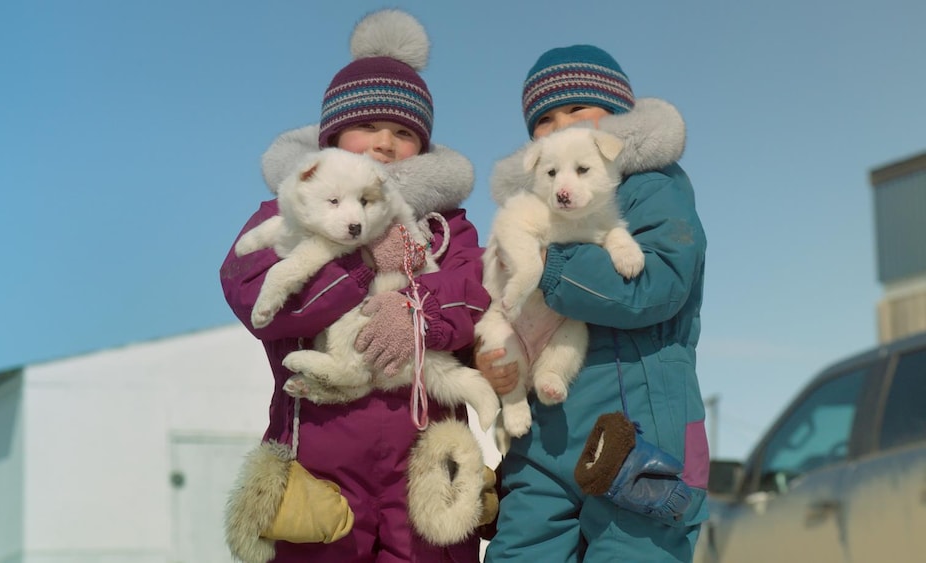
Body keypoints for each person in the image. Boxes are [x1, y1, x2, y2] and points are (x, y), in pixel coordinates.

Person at [220, 9, 491, 563]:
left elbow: (479, 291)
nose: (385, 143)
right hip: (320, 452)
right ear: (334, 135)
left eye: (404, 133)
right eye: (368, 127)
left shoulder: (446, 227)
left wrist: (418, 311)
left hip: (423, 452)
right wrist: (363, 261)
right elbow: (254, 295)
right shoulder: (289, 213)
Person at [476, 44, 710, 563]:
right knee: (519, 552)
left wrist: (549, 264)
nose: (560, 125)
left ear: (617, 114)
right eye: (544, 119)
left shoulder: (654, 187)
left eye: (576, 109)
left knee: (635, 552)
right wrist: (491, 361)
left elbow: (659, 286)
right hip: (546, 439)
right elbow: (497, 303)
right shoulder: (531, 207)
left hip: (641, 433)